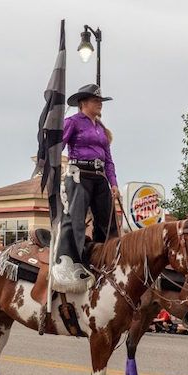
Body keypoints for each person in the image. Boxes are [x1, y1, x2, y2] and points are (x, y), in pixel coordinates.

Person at [51, 84, 119, 299]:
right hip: (79, 174)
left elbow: (108, 160)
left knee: (107, 223)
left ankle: (105, 260)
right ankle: (67, 263)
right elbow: (56, 146)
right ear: (84, 103)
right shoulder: (72, 122)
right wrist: (51, 169)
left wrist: (114, 184)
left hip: (99, 178)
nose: (100, 104)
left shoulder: (101, 128)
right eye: (96, 101)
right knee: (76, 220)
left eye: (100, 101)